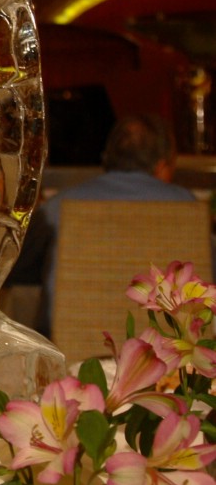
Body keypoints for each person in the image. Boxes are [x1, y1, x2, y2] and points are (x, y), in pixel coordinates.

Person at [11, 114, 199, 337]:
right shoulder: (192, 209)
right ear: (161, 165)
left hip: (70, 352)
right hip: (169, 352)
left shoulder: (57, 208)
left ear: (106, 158)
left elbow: (13, 268)